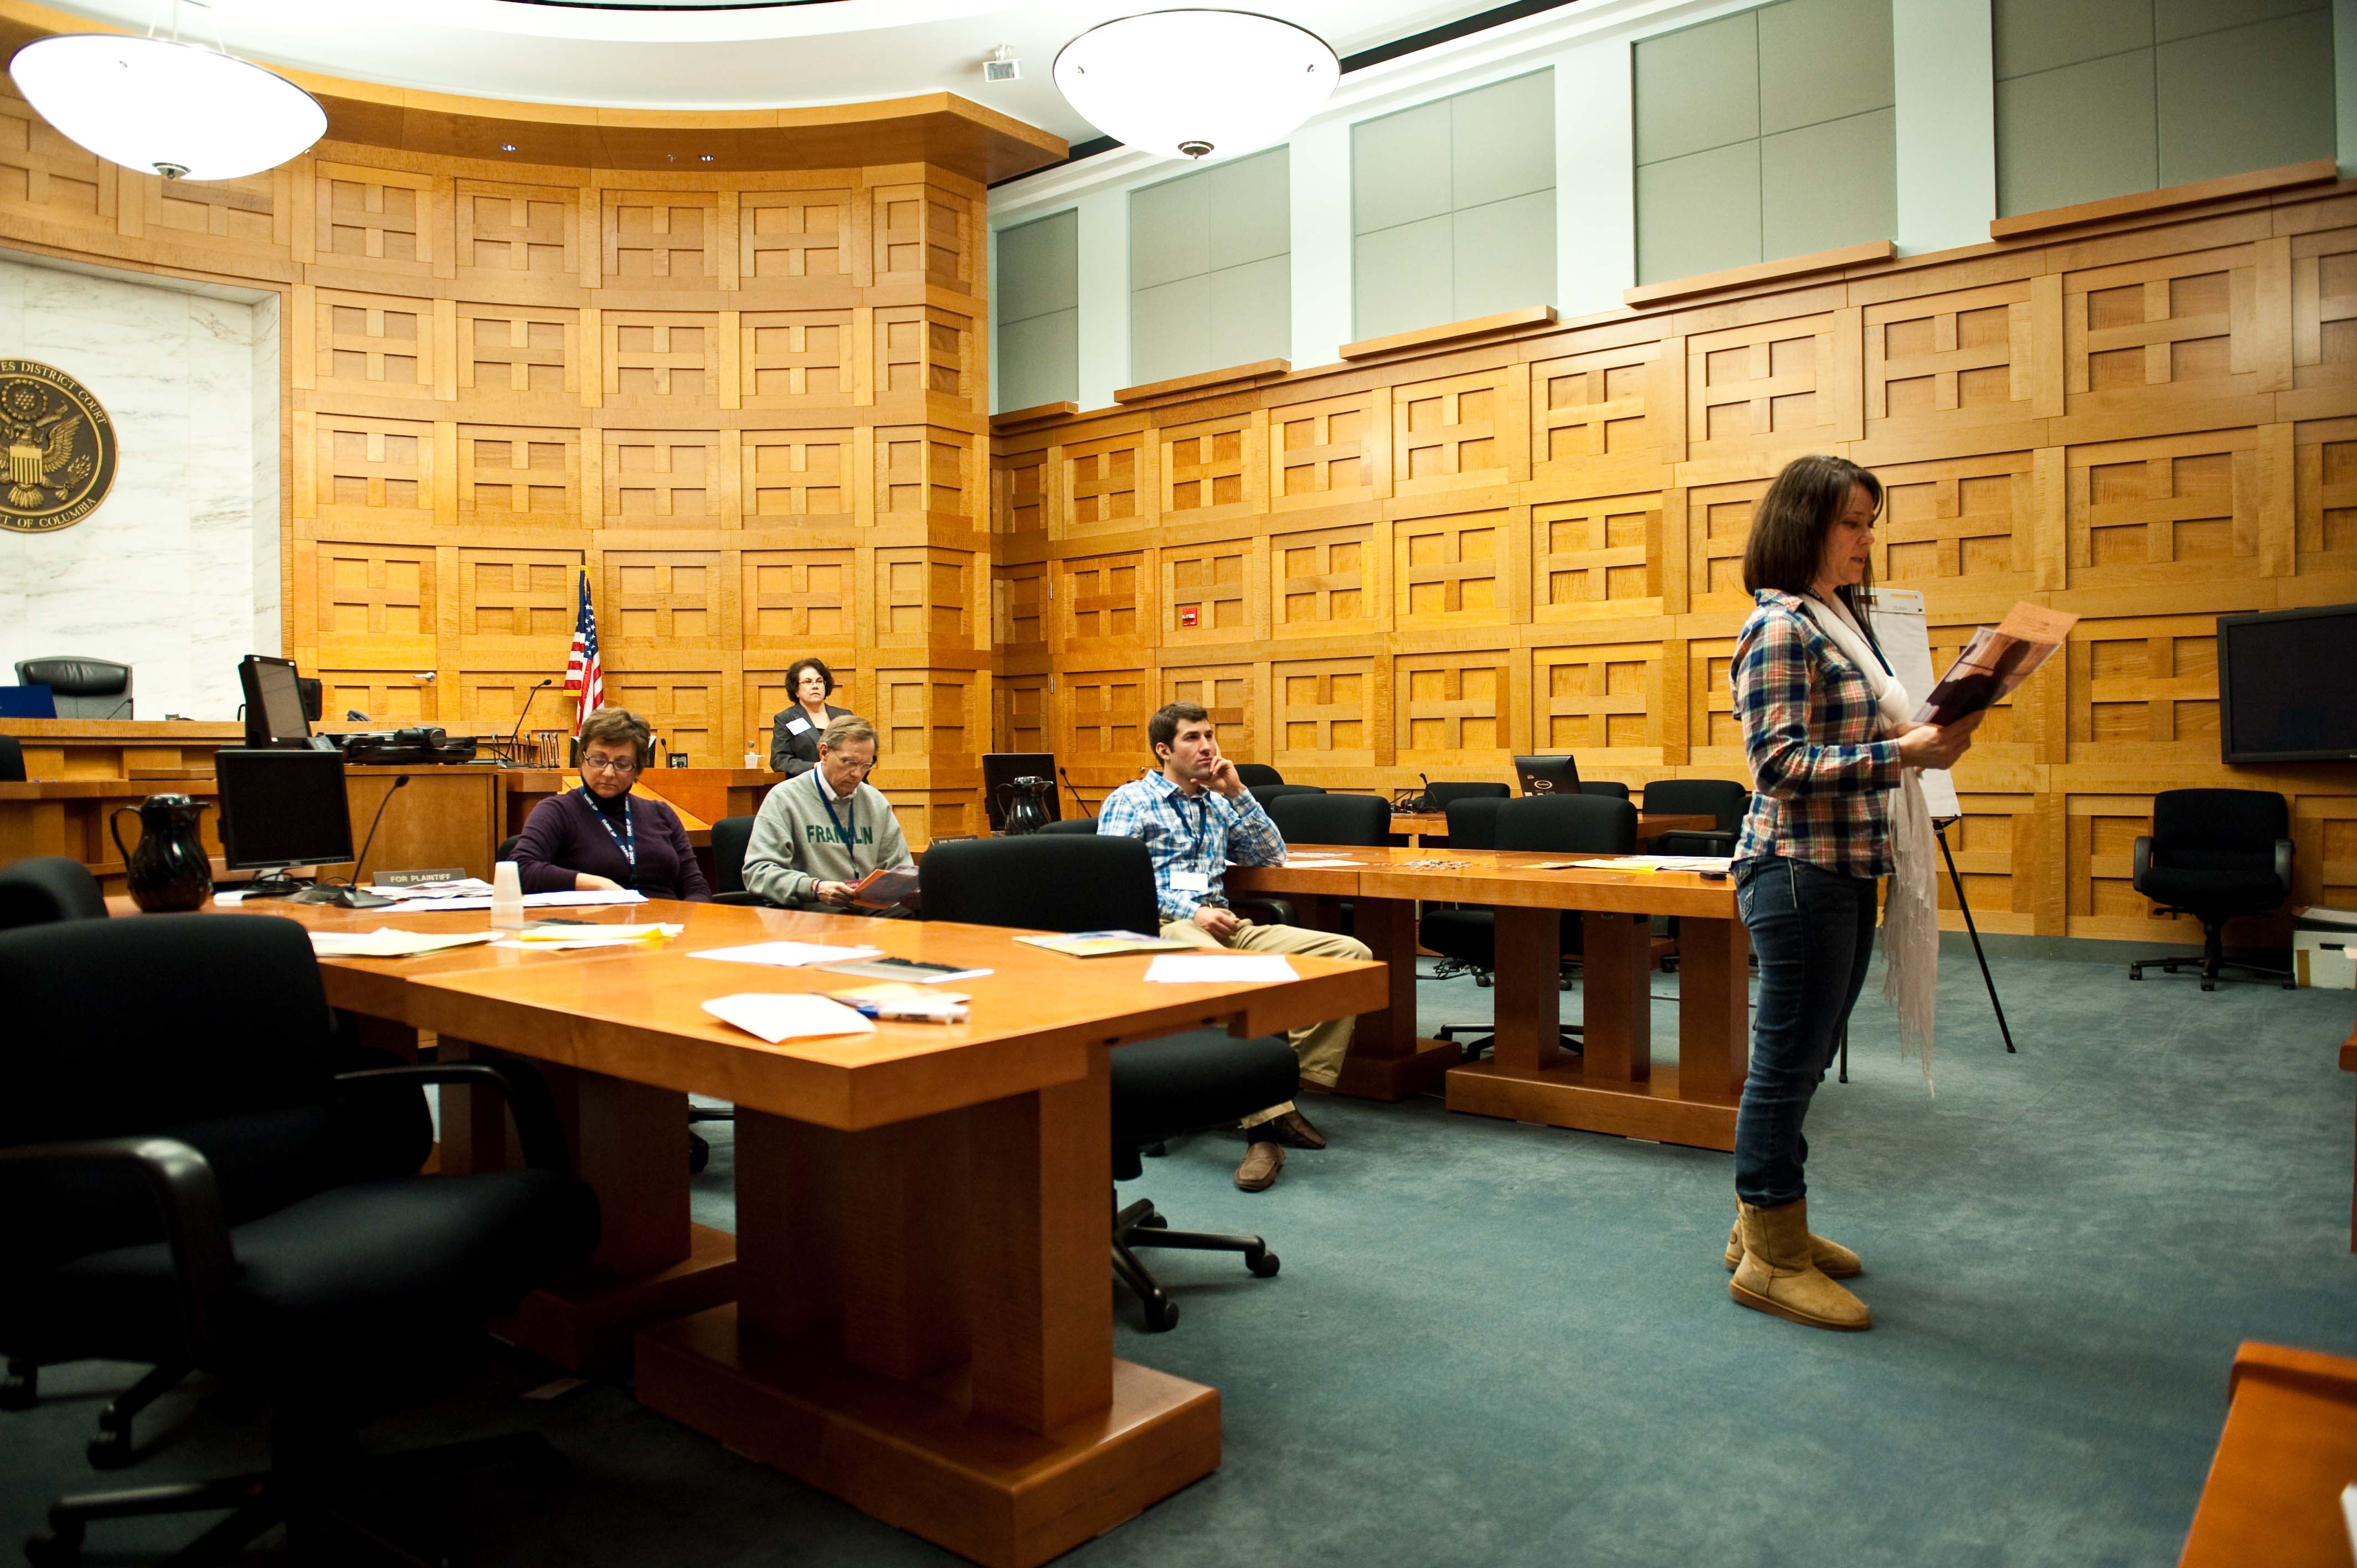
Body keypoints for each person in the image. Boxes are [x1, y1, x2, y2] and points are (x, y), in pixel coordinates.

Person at [1726, 453, 1981, 1333]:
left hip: (1841, 867)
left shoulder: (1836, 623)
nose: (1867, 540)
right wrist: (1901, 755)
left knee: (1803, 1059)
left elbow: (1856, 738)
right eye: (1851, 524)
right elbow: (1778, 765)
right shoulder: (1780, 629)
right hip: (1797, 871)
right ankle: (1771, 1258)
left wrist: (1931, 736)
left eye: (1871, 524)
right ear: (1805, 526)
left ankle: (1761, 1225)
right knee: (1786, 1065)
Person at [1095, 703, 1372, 1193]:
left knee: (1349, 958)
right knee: (1227, 974)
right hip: (1160, 927)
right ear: (1164, 750)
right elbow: (1114, 882)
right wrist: (1190, 910)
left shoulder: (1218, 801)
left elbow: (1272, 856)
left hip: (1226, 923)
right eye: (1192, 738)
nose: (1207, 746)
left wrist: (1239, 793)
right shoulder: (1131, 801)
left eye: (1209, 735)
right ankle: (1263, 1129)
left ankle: (1268, 1090)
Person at [512, 706, 711, 901]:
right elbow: (520, 869)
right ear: (582, 759)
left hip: (668, 920)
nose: (608, 773)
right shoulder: (557, 811)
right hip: (594, 920)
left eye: (622, 764)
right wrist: (596, 885)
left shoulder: (661, 813)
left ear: (637, 769)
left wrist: (690, 919)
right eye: (599, 760)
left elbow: (695, 886)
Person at [740, 715, 914, 914]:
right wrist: (814, 888)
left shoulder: (874, 801)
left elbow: (899, 866)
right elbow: (758, 873)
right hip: (813, 908)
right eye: (849, 762)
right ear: (824, 753)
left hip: (868, 907)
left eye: (866, 766)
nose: (857, 774)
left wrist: (910, 890)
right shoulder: (785, 798)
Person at [769, 657, 852, 777]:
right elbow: (779, 760)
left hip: (847, 781)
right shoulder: (787, 719)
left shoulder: (845, 716)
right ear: (796, 690)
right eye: (808, 682)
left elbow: (864, 751)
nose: (815, 686)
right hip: (808, 782)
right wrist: (814, 767)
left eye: (819, 681)